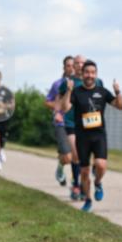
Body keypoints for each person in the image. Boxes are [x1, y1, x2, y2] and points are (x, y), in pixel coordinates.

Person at [59, 60, 122, 212]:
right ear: (82, 74)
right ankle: (88, 199)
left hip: (99, 135)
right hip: (82, 137)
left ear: (96, 74)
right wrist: (68, 90)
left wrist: (117, 92)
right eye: (87, 72)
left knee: (101, 165)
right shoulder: (76, 92)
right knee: (84, 171)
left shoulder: (102, 91)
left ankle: (98, 183)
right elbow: (65, 108)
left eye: (93, 73)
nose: (90, 75)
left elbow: (120, 106)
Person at [45, 56, 76, 192]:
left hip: (76, 122)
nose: (71, 68)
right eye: (68, 65)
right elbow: (47, 101)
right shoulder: (57, 84)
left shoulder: (80, 83)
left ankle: (76, 183)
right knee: (67, 157)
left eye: (73, 65)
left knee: (77, 155)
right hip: (61, 122)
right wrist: (58, 107)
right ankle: (60, 168)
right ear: (64, 68)